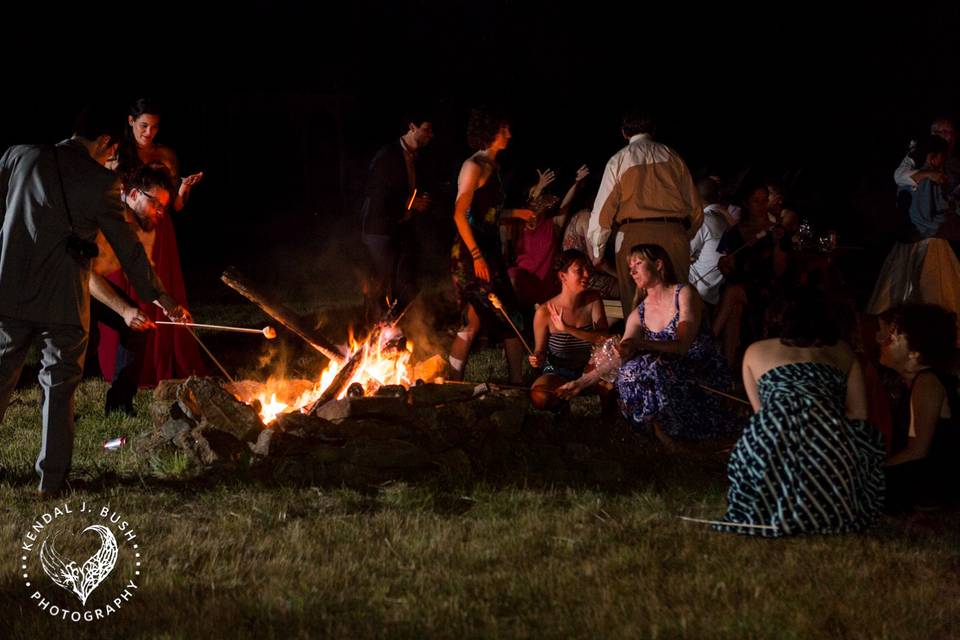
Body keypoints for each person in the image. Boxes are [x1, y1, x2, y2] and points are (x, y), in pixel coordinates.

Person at [0, 104, 188, 496]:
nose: (110, 157)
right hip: (64, 297)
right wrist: (161, 296)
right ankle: (51, 481)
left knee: (2, 375)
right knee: (59, 384)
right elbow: (130, 250)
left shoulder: (21, 155)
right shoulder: (101, 182)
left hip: (12, 287)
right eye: (110, 150)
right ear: (105, 141)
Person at [714, 288, 885, 537]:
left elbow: (762, 415)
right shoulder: (843, 352)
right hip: (830, 451)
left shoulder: (755, 351)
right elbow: (859, 415)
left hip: (774, 446)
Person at [99, 98, 205, 388]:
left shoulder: (166, 154)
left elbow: (174, 206)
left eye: (155, 127)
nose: (149, 132)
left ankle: (163, 359)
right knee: (125, 289)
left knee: (156, 283)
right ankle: (126, 367)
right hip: (124, 225)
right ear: (131, 122)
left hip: (157, 228)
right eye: (144, 125)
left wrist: (182, 189)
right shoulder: (114, 153)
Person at [587, 110, 703, 319]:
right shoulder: (673, 157)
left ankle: (640, 349)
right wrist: (684, 236)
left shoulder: (619, 160)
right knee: (677, 305)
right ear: (653, 130)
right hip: (672, 234)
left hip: (633, 236)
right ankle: (675, 349)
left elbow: (603, 210)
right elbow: (695, 209)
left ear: (624, 133)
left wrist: (597, 250)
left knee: (635, 306)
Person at [448, 107, 535, 384]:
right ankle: (456, 384)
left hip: (489, 251)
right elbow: (459, 214)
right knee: (488, 318)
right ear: (488, 133)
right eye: (503, 130)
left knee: (493, 318)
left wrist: (515, 214)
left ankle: (513, 382)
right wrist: (476, 256)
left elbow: (486, 212)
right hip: (470, 253)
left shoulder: (493, 166)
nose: (508, 134)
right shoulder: (473, 166)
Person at [615, 244, 734, 445]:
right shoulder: (639, 313)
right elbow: (623, 352)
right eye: (630, 266)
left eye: (638, 263)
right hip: (667, 369)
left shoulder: (683, 294)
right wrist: (580, 383)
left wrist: (640, 344)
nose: (632, 271)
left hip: (700, 369)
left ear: (659, 265)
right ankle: (653, 427)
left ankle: (671, 433)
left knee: (653, 367)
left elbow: (683, 346)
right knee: (629, 370)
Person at [90, 165, 175, 415]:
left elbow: (139, 267)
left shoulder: (137, 222)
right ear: (135, 194)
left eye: (163, 207)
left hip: (90, 283)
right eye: (156, 204)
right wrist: (124, 310)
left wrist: (167, 302)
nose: (160, 212)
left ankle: (119, 404)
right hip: (64, 284)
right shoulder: (104, 211)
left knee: (136, 329)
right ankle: (56, 412)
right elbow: (84, 274)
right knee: (71, 350)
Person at [867, 135, 960, 333]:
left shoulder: (922, 174)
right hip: (925, 240)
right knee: (930, 291)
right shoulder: (924, 176)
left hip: (914, 239)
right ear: (935, 157)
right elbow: (925, 214)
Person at [879, 304, 959, 512]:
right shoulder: (916, 383)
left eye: (892, 339)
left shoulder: (927, 382)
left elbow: (918, 451)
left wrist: (875, 473)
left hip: (933, 486)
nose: (882, 341)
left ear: (914, 353)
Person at [360, 112, 434, 321]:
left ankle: (388, 324)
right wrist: (411, 202)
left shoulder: (414, 156)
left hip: (401, 226)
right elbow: (377, 195)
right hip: (379, 230)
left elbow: (403, 188)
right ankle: (373, 332)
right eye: (427, 129)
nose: (431, 135)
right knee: (380, 283)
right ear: (412, 126)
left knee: (408, 282)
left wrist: (417, 198)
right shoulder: (387, 156)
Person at [528, 250, 609, 410]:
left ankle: (605, 420)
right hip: (557, 370)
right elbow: (540, 351)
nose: (587, 274)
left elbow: (603, 338)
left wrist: (568, 329)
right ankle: (565, 404)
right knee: (541, 396)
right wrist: (536, 358)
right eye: (580, 270)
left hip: (589, 367)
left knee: (609, 385)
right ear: (563, 276)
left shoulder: (593, 299)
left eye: (587, 269)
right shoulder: (544, 312)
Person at [508, 164, 590, 310]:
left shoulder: (552, 224)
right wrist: (538, 186)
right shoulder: (518, 225)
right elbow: (502, 214)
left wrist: (577, 183)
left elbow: (566, 205)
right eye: (536, 198)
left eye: (543, 201)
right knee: (512, 274)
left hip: (545, 283)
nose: (539, 205)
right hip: (524, 281)